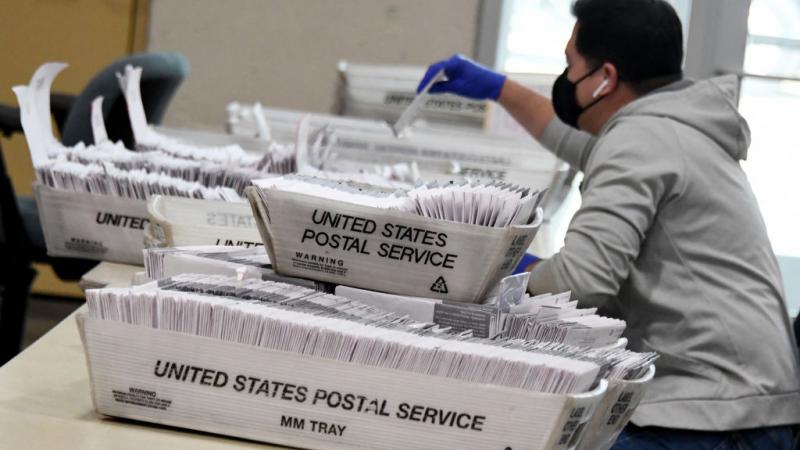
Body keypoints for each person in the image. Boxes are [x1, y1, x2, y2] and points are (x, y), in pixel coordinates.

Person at [417, 0, 800, 449]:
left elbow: (582, 279)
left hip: (712, 415)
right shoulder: (675, 128)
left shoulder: (638, 140)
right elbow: (579, 144)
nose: (565, 80)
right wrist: (500, 89)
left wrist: (494, 270)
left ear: (606, 79)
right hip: (746, 399)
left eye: (569, 65)